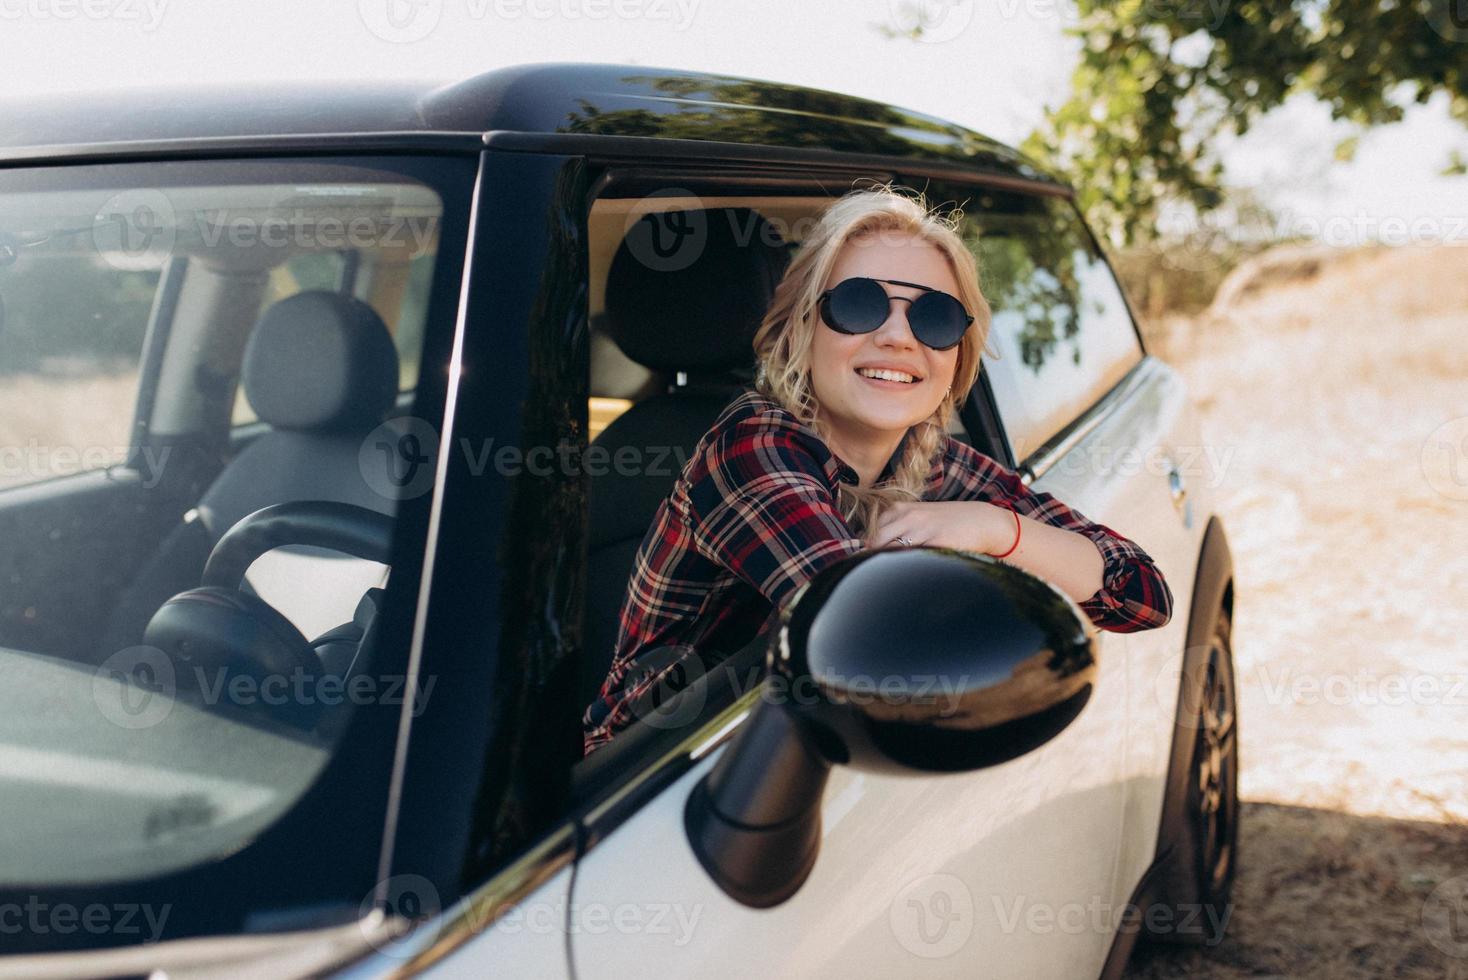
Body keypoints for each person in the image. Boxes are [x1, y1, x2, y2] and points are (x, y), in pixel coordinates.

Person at [582, 186, 1173, 754]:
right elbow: (873, 640)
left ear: (957, 352)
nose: (897, 336)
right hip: (648, 784)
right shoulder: (749, 451)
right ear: (802, 327)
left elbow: (1144, 596)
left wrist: (997, 529)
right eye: (859, 304)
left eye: (936, 317)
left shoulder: (930, 459)